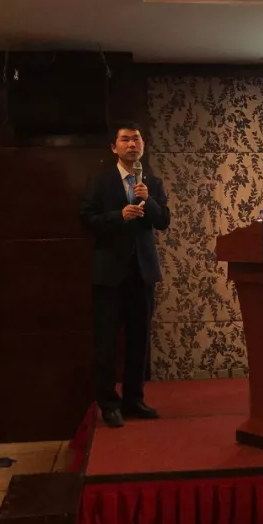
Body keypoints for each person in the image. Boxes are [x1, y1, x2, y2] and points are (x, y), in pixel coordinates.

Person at [81, 121, 170, 428]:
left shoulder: (152, 182)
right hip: (109, 274)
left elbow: (164, 221)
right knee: (107, 341)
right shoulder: (100, 180)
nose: (132, 144)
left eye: (136, 139)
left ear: (142, 145)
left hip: (142, 273)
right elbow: (86, 219)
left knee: (139, 340)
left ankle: (134, 399)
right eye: (125, 140)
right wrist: (118, 216)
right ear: (114, 147)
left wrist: (150, 201)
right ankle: (108, 403)